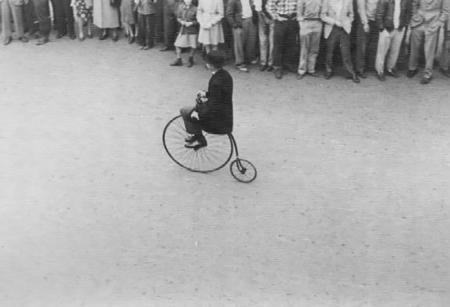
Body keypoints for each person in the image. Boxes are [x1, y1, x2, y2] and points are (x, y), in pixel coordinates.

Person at [180, 50, 233, 150]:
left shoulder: (216, 82)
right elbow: (220, 95)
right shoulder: (225, 75)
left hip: (217, 120)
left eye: (207, 62)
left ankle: (198, 139)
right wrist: (206, 94)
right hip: (225, 114)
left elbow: (214, 105)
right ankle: (196, 136)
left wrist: (198, 114)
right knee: (191, 111)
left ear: (211, 65)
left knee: (186, 112)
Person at [407, 0, 450, 84]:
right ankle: (412, 68)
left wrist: (438, 23)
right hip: (418, 21)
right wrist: (415, 15)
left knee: (429, 50)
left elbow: (446, 11)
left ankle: (427, 74)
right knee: (414, 46)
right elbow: (414, 3)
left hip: (433, 23)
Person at [321, 0, 360, 83]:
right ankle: (328, 71)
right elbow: (323, 16)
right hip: (331, 28)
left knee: (346, 52)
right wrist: (334, 22)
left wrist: (347, 22)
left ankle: (351, 73)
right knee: (329, 51)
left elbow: (351, 15)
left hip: (344, 29)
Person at [374, 0, 411, 81]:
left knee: (395, 51)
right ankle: (379, 71)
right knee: (382, 52)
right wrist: (382, 28)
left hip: (399, 29)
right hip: (386, 29)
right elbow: (379, 14)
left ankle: (390, 68)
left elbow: (408, 13)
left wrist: (404, 25)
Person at [266, 0, 299, 79]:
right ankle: (277, 67)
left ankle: (288, 64)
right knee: (278, 45)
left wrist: (297, 15)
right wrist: (277, 17)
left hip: (292, 20)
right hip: (280, 21)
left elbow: (299, 4)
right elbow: (269, 6)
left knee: (291, 44)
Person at [226, 0, 258, 72]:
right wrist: (234, 25)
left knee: (251, 41)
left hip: (251, 20)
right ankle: (239, 63)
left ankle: (248, 59)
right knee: (239, 45)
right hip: (240, 22)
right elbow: (229, 14)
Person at [353, 0, 380, 78]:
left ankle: (368, 66)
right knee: (362, 47)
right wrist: (365, 23)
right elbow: (361, 8)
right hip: (365, 21)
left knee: (371, 46)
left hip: (375, 21)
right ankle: (359, 69)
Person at [296, 0, 322, 79]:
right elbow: (299, 13)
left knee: (314, 49)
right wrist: (302, 26)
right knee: (304, 48)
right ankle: (301, 70)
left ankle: (311, 69)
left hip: (317, 23)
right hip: (306, 22)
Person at [170, 0, 198, 67]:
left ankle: (190, 59)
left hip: (192, 30)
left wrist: (191, 23)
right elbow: (178, 17)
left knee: (193, 45)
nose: (187, 1)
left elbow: (198, 20)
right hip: (183, 29)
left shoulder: (196, 9)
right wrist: (181, 21)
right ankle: (179, 59)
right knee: (177, 44)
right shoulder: (180, 7)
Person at [255, 0, 274, 71]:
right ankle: (263, 62)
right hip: (262, 17)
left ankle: (271, 63)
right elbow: (258, 9)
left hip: (273, 18)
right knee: (263, 41)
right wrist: (263, 19)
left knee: (272, 42)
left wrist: (272, 18)